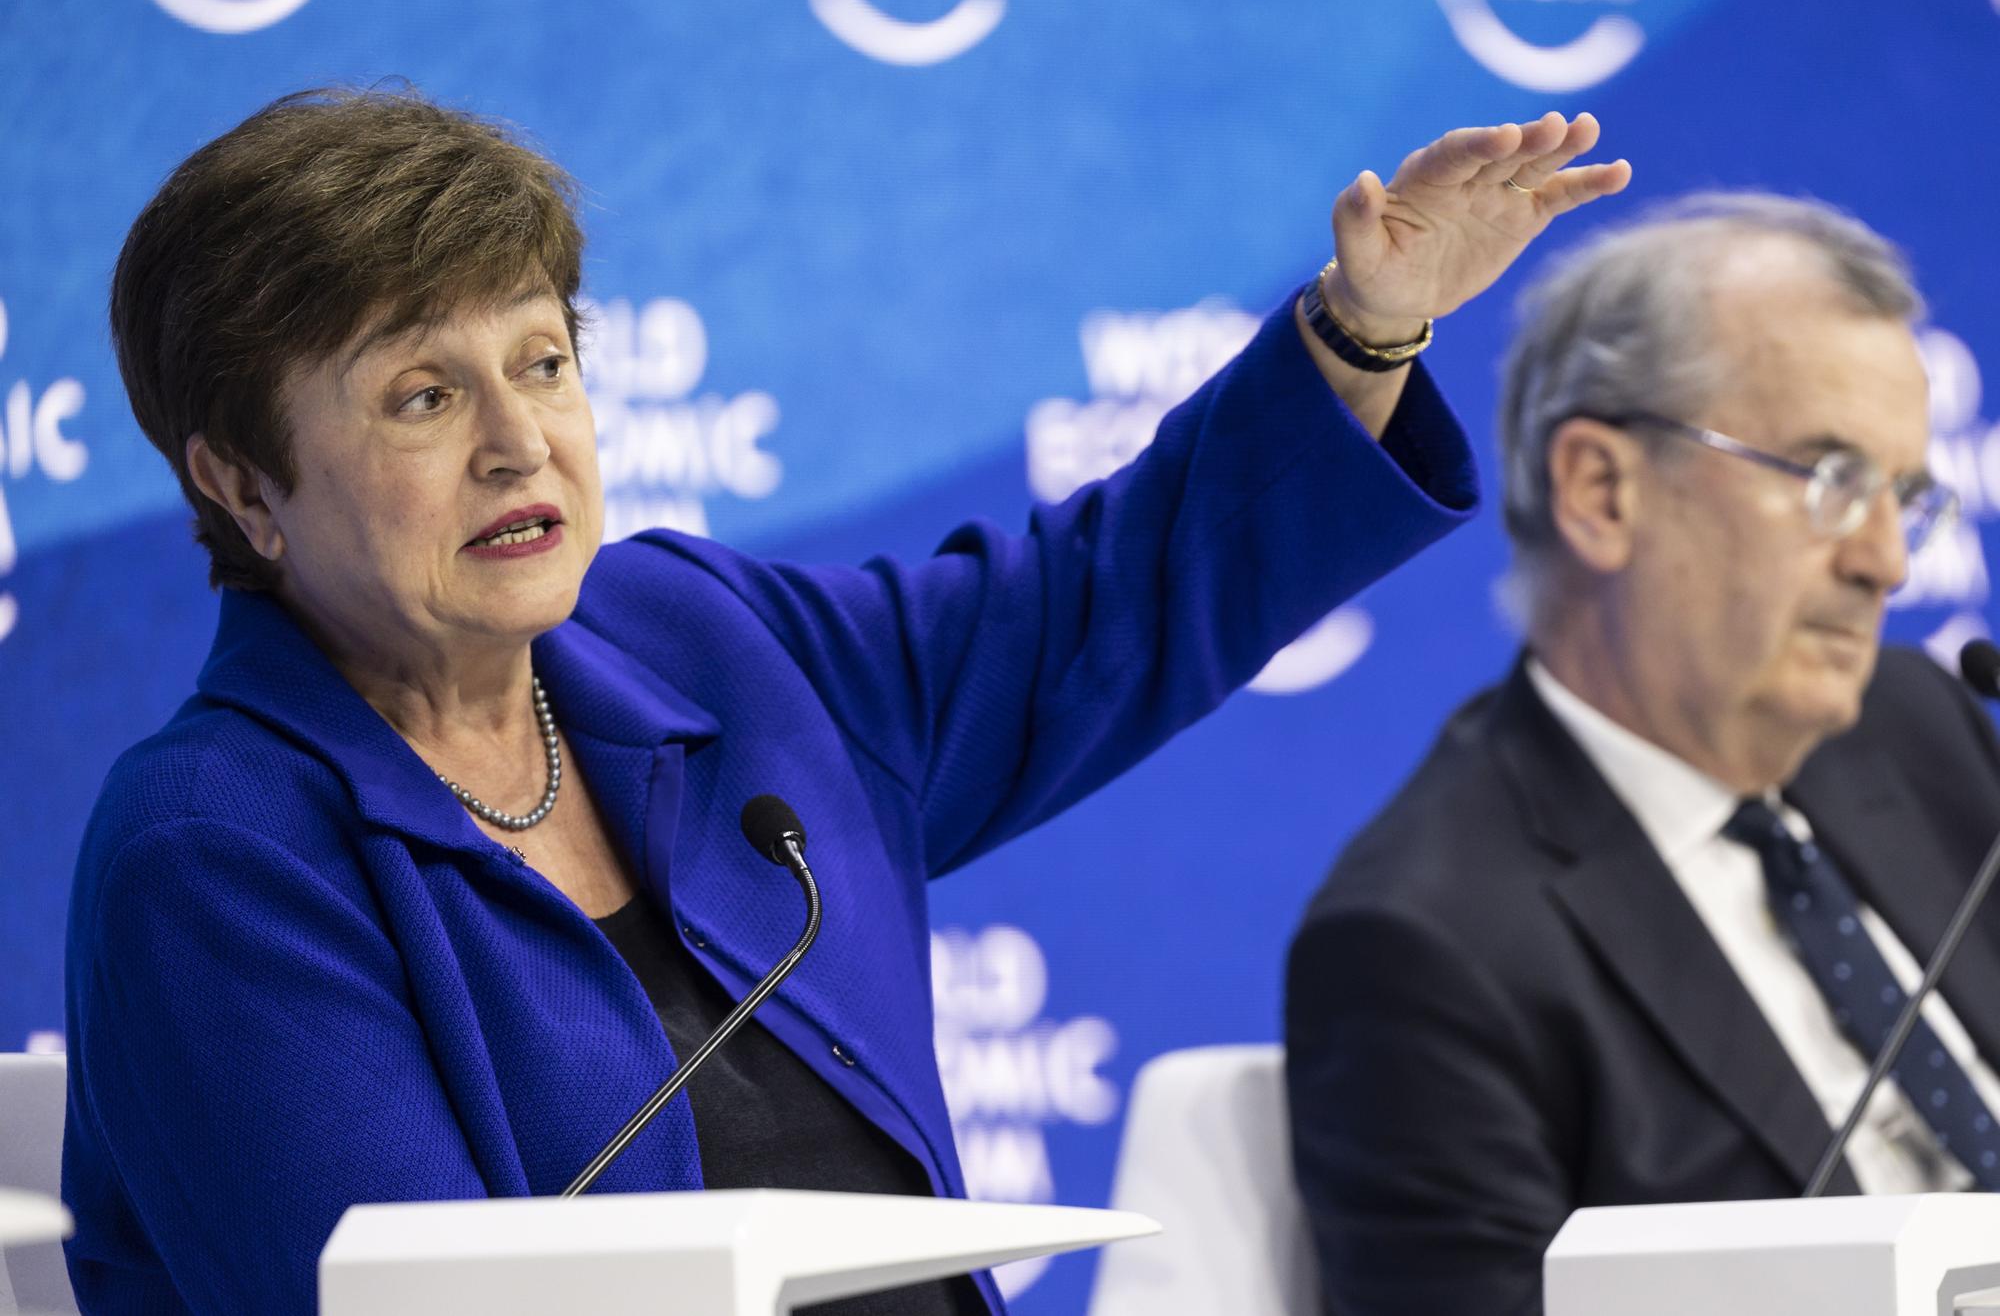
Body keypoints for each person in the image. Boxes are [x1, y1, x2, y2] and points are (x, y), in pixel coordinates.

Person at [61, 86, 1627, 1315]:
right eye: (423, 394)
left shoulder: (699, 645)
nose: (518, 441)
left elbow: (1096, 605)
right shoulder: (217, 851)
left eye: (542, 362)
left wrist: (1361, 332)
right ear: (241, 483)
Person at [1284, 192, 1995, 1315]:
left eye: (1903, 497)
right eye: (1830, 481)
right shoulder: (1423, 942)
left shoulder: (1921, 731)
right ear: (1600, 491)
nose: (1886, 564)